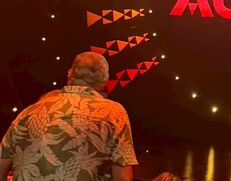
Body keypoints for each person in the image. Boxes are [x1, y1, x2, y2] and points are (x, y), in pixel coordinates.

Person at [0, 52, 138, 181]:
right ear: (105, 79)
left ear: (70, 73)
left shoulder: (28, 112)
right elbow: (123, 177)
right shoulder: (113, 112)